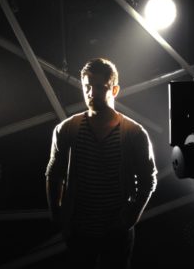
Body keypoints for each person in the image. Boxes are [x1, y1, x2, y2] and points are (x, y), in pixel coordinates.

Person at [45, 58, 157, 269]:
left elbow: (148, 180)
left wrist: (130, 218)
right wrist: (58, 215)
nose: (91, 93)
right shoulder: (67, 129)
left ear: (114, 89)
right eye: (87, 86)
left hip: (117, 232)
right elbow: (54, 173)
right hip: (79, 230)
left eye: (99, 87)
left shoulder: (134, 133)